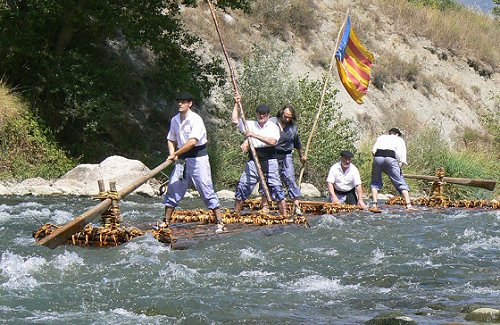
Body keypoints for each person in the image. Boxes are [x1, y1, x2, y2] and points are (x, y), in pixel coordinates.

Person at [162, 92, 225, 232]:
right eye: (179, 101)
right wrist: (172, 153)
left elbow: (192, 142)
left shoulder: (196, 120)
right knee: (173, 188)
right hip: (182, 159)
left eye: (183, 102)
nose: (180, 104)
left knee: (205, 188)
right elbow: (171, 139)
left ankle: (220, 222)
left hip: (198, 159)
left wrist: (176, 153)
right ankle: (166, 221)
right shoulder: (175, 120)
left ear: (190, 104)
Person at [242, 105, 306, 215]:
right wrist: (246, 142)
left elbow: (297, 143)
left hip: (286, 155)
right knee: (265, 179)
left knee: (289, 179)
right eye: (285, 116)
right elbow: (256, 132)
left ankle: (296, 205)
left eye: (289, 118)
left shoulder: (293, 128)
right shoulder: (271, 122)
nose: (287, 119)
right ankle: (265, 206)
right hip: (270, 154)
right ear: (281, 114)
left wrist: (301, 156)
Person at [232, 93, 288, 216]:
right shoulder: (250, 124)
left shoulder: (273, 126)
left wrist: (253, 135)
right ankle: (236, 212)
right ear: (257, 114)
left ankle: (284, 214)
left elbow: (272, 141)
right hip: (253, 159)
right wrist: (237, 103)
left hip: (269, 159)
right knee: (243, 184)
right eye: (259, 113)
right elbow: (235, 120)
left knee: (276, 186)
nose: (261, 116)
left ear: (268, 115)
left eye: (264, 114)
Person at [370, 127, 413, 209]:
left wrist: (380, 164)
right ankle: (408, 205)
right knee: (400, 182)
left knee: (375, 182)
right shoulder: (399, 140)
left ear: (390, 133)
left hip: (378, 157)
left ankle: (374, 205)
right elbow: (402, 159)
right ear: (398, 134)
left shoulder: (382, 137)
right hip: (391, 158)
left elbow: (373, 151)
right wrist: (394, 169)